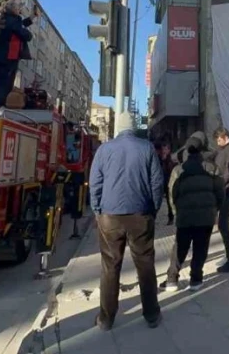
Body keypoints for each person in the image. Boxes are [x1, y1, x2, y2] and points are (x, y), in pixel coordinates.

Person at [89, 127, 165, 331]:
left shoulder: (104, 149)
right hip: (141, 214)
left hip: (109, 215)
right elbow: (157, 182)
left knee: (110, 267)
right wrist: (154, 208)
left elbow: (95, 183)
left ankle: (106, 319)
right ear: (133, 130)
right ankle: (151, 314)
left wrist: (97, 209)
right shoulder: (146, 148)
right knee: (145, 264)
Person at [164, 133, 225, 291]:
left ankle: (172, 279)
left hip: (184, 217)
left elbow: (172, 194)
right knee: (201, 247)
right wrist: (214, 209)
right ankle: (196, 279)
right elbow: (220, 193)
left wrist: (176, 212)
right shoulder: (212, 169)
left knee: (179, 247)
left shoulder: (179, 170)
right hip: (206, 217)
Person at [207, 127, 229, 273]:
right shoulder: (225, 149)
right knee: (222, 225)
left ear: (225, 136)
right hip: (225, 190)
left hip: (228, 190)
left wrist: (218, 183)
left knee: (223, 225)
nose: (217, 142)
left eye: (219, 139)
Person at [0, 1, 32, 110]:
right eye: (18, 7)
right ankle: (0, 107)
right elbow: (23, 33)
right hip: (9, 56)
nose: (19, 9)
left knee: (0, 82)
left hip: (0, 55)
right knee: (6, 83)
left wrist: (31, 18)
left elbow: (21, 25)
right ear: (12, 9)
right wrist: (29, 34)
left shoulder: (5, 18)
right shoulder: (12, 20)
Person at [156, 140, 177, 226]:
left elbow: (172, 171)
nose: (164, 151)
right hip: (160, 183)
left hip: (168, 183)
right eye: (163, 149)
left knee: (169, 202)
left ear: (169, 150)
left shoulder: (171, 160)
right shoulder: (157, 159)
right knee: (157, 200)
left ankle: (171, 218)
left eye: (166, 149)